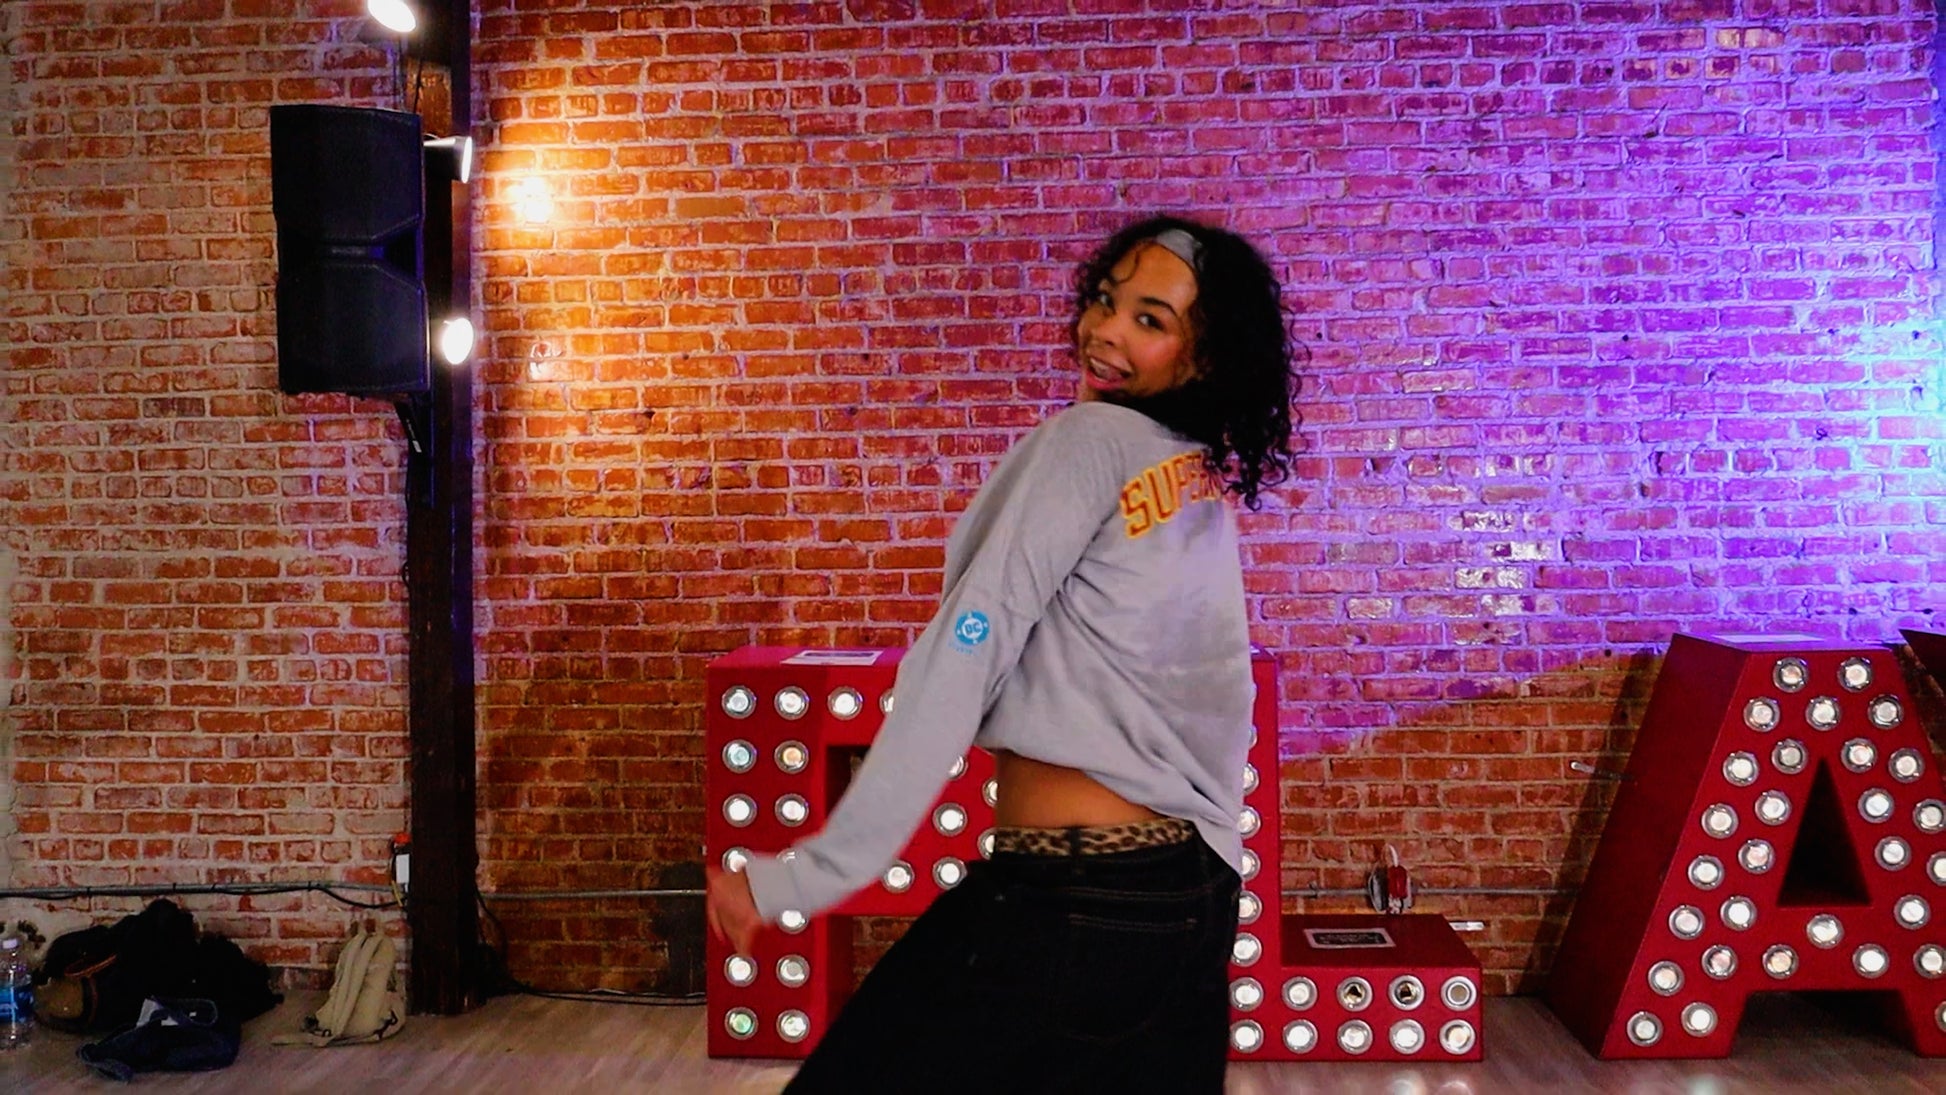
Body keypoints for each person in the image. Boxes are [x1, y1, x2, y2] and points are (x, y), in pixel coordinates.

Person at [706, 214, 1296, 1093]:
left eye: (1151, 319)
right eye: (1107, 301)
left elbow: (965, 649)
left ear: (1204, 356)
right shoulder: (1192, 478)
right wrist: (1207, 884)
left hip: (1068, 897)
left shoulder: (1088, 444)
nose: (1106, 331)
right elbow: (1219, 697)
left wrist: (797, 880)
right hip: (1186, 898)